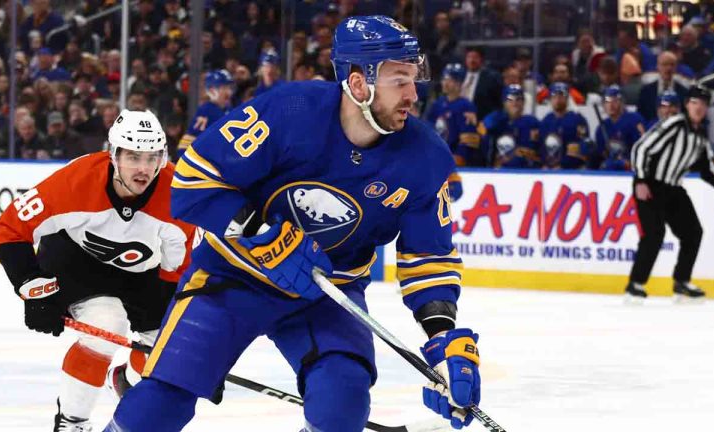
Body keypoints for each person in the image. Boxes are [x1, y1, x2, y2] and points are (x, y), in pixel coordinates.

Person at [105, 15, 481, 432]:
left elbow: (428, 258)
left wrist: (443, 340)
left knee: (343, 403)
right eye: (399, 80)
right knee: (159, 405)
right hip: (234, 277)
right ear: (359, 84)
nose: (413, 94)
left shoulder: (425, 158)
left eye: (413, 79)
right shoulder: (288, 110)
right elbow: (195, 181)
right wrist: (261, 234)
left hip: (327, 291)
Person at [0, 110, 196, 431]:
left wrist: (192, 359)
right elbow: (8, 230)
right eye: (133, 156)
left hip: (142, 272)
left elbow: (178, 270)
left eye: (153, 157)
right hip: (78, 262)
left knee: (166, 346)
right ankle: (72, 422)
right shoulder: (77, 180)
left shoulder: (177, 194)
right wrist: (32, 290)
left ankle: (125, 378)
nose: (144, 168)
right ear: (113, 154)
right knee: (106, 325)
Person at [627, 85, 714, 301]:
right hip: (650, 185)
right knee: (654, 234)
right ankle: (635, 284)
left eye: (704, 104)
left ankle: (681, 282)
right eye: (695, 103)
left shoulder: (700, 135)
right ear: (687, 105)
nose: (699, 108)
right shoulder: (673, 124)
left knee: (693, 233)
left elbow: (707, 169)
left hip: (673, 188)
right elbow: (641, 148)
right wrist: (640, 179)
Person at [424, 62, 482, 199]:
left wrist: (455, 161)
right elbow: (427, 131)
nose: (444, 83)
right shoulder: (438, 104)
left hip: (454, 165)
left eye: (448, 80)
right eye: (444, 79)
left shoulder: (466, 106)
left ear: (458, 83)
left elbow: (468, 142)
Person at [176, 69, 235, 159]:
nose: (229, 92)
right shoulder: (206, 111)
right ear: (211, 90)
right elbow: (184, 148)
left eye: (229, 87)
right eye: (224, 88)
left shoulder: (229, 109)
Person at [480, 84, 542, 168]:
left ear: (523, 102)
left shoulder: (532, 123)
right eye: (510, 99)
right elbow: (483, 131)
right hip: (497, 173)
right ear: (504, 103)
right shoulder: (497, 120)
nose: (514, 103)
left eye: (518, 99)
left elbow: (537, 153)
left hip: (524, 173)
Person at [539, 82, 590, 169]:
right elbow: (541, 148)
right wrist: (544, 165)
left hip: (572, 171)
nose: (558, 99)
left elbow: (582, 149)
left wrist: (562, 166)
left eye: (561, 95)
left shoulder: (577, 120)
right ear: (550, 98)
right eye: (554, 96)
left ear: (567, 98)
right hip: (548, 170)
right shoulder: (546, 121)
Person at [594, 85, 646, 170]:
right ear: (603, 105)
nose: (611, 105)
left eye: (615, 101)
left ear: (622, 102)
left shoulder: (634, 120)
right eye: (607, 101)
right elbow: (602, 154)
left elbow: (642, 147)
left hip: (633, 169)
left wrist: (628, 162)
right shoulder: (602, 127)